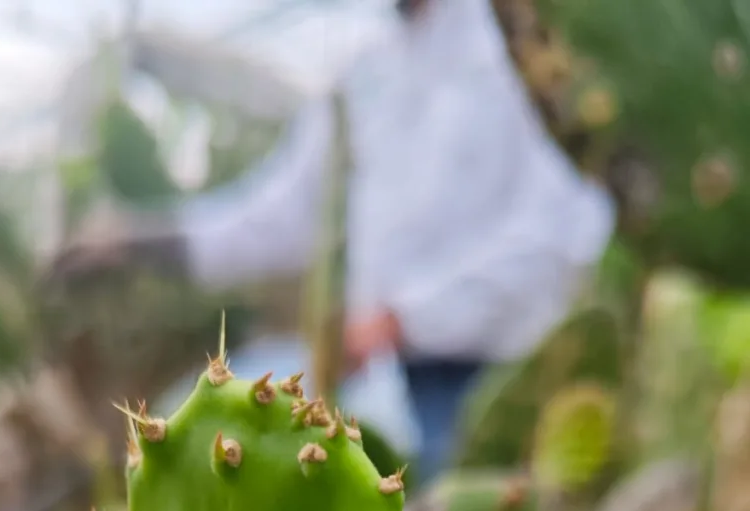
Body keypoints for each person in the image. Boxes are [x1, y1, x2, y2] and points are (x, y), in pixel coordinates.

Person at [51, 0, 615, 484]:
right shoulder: (368, 72)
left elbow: (567, 228)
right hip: (381, 379)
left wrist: (402, 320)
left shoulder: (526, 49)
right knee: (190, 441)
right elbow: (277, 218)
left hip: (500, 387)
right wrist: (137, 240)